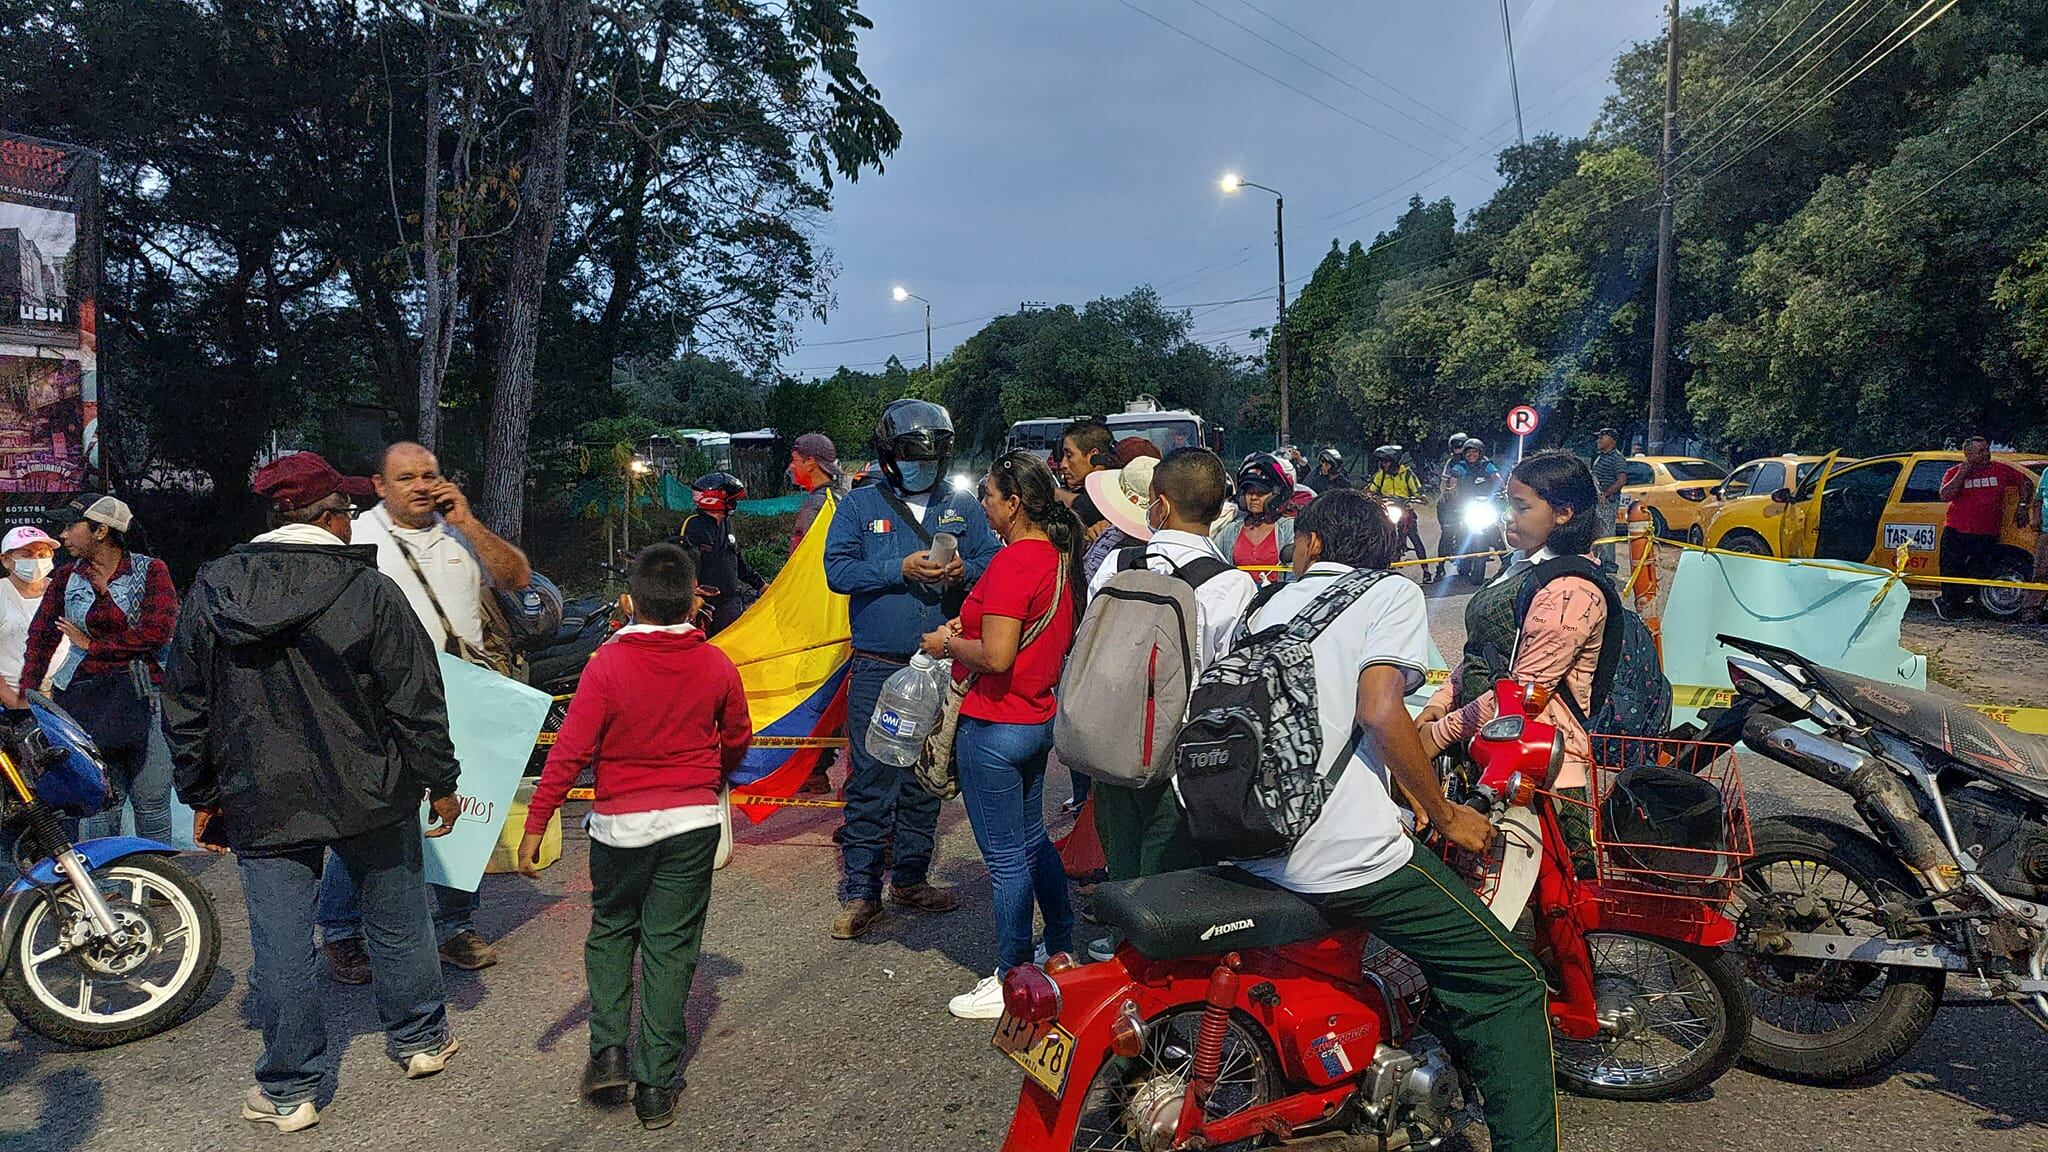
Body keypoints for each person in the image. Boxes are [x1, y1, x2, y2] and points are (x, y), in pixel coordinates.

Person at [1232, 488, 1556, 1152]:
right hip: (1335, 851)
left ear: (1314, 543)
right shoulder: (1386, 594)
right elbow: (1380, 709)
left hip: (1238, 834)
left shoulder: (1262, 607)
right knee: (1507, 981)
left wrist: (1407, 794)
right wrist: (1443, 812)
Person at [161, 452, 463, 1132]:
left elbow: (184, 702)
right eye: (349, 513)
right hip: (372, 785)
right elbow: (415, 696)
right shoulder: (368, 590)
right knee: (397, 919)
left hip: (260, 793)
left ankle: (290, 1089)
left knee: (281, 942)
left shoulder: (214, 587)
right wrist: (440, 779)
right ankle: (419, 1041)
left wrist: (202, 792)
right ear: (331, 517)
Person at [519, 543, 751, 1130]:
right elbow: (738, 737)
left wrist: (537, 823)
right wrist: (713, 778)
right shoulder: (717, 664)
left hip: (619, 829)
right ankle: (654, 1087)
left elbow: (569, 752)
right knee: (671, 950)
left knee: (612, 931)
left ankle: (609, 1051)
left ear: (628, 602)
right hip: (693, 824)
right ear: (696, 599)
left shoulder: (606, 664)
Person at [321, 441, 532, 982]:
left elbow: (516, 577)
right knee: (366, 819)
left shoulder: (457, 535)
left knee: (466, 809)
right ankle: (343, 932)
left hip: (461, 695)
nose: (421, 486)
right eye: (407, 477)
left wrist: (468, 520)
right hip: (379, 701)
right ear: (379, 485)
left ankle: (454, 926)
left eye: (429, 475)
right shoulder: (358, 537)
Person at [823, 399, 998, 940]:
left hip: (940, 666)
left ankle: (910, 878)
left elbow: (993, 559)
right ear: (889, 454)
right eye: (911, 456)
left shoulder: (962, 504)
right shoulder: (859, 506)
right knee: (873, 778)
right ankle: (860, 891)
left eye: (932, 457)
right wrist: (895, 568)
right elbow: (837, 569)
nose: (922, 465)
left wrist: (963, 570)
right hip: (878, 667)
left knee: (927, 775)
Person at [917, 451, 1083, 1019]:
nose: (982, 504)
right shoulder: (1058, 558)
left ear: (1014, 504)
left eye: (988, 495)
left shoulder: (1014, 564)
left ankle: (1011, 974)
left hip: (994, 724)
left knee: (1006, 859)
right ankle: (1062, 945)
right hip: (1036, 720)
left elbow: (996, 654)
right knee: (1033, 841)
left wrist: (945, 645)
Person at [1419, 451, 1608, 869]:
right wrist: (1440, 698)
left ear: (1563, 513)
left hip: (1542, 766)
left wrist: (1439, 734)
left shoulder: (1570, 591)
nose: (1508, 515)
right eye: (1508, 502)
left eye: (1521, 506)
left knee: (1553, 905)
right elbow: (1485, 652)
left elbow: (1524, 693)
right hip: (1492, 751)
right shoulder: (1520, 568)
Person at [1086, 448, 1256, 882]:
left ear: (1158, 503)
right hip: (1180, 757)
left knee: (1122, 866)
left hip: (1110, 743)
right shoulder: (1231, 584)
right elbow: (1227, 673)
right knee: (1172, 882)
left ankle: (1121, 941)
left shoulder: (1117, 563)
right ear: (1219, 509)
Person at [20, 495, 178, 845]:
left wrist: (94, 646)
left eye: (70, 526)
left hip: (145, 696)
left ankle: (156, 888)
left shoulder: (151, 570)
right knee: (100, 800)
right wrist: (29, 696)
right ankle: (100, 888)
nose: (62, 535)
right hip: (85, 697)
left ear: (101, 530)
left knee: (150, 800)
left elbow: (157, 632)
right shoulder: (66, 577)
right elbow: (41, 636)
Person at [1936, 436, 2034, 618]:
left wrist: (2022, 506)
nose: (1986, 454)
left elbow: (2026, 482)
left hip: (1987, 532)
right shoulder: (1954, 472)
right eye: (1980, 451)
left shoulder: (2001, 470)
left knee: (1980, 570)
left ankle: (1952, 601)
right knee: (1951, 570)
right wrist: (1962, 473)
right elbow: (1944, 495)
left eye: (1986, 449)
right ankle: (1949, 607)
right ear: (1968, 454)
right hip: (1957, 529)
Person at [681, 471, 765, 636]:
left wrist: (761, 585)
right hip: (703, 605)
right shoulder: (693, 526)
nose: (733, 502)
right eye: (729, 497)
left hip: (730, 603)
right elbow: (683, 564)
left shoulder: (727, 524)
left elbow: (736, 560)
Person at [0, 526, 65, 711]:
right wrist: (11, 700)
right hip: (13, 705)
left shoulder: (65, 592)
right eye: (26, 555)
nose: (36, 561)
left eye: (42, 554)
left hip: (64, 701)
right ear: (6, 560)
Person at [1211, 453, 1295, 585]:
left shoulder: (1290, 529)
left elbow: (1295, 576)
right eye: (1249, 492)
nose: (1254, 497)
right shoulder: (1230, 531)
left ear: (1277, 494)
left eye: (1261, 492)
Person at [1366, 445, 1431, 578]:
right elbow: (1372, 490)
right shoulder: (1380, 475)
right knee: (1376, 534)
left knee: (1414, 536)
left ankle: (1426, 569)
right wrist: (1370, 496)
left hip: (1405, 509)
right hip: (1387, 509)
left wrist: (1421, 497)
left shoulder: (1407, 474)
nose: (1383, 464)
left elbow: (1417, 490)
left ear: (1394, 461)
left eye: (1386, 461)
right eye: (1382, 462)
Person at [1053, 418, 1118, 541]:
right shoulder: (1084, 490)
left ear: (1093, 455)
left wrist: (1050, 491)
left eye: (1069, 455)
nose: (1063, 465)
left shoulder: (1112, 493)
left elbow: (1086, 507)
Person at [1440, 440, 1503, 563]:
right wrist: (1451, 490)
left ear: (1480, 453)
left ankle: (1505, 561)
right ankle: (1445, 562)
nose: (1471, 454)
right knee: (1453, 529)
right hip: (1465, 504)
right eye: (1469, 452)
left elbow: (1497, 478)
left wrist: (1503, 489)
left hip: (1484, 505)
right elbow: (1453, 481)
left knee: (1494, 529)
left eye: (1475, 451)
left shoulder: (1487, 465)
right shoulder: (1460, 467)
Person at [788, 432, 850, 552]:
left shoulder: (816, 505)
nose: (792, 466)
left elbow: (802, 551)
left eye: (795, 460)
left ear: (810, 463)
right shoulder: (842, 496)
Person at [1588, 428, 1627, 575]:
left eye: (1601, 437)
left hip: (1609, 501)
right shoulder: (1600, 457)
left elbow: (1622, 480)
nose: (1598, 441)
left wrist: (1606, 494)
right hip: (1598, 501)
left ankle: (1609, 564)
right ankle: (1599, 560)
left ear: (1611, 439)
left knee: (1608, 532)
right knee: (1598, 531)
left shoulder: (1617, 458)